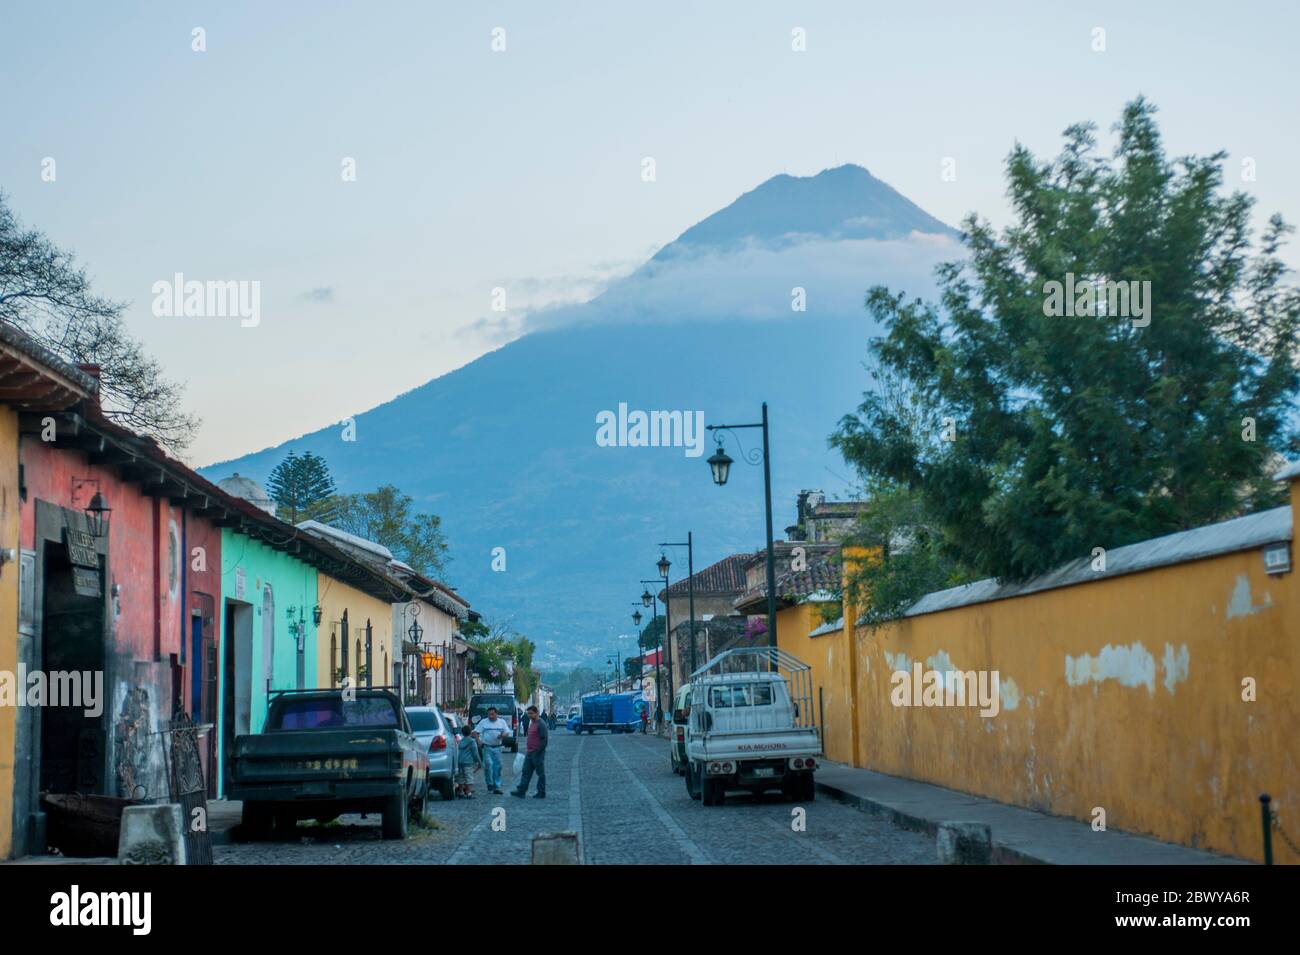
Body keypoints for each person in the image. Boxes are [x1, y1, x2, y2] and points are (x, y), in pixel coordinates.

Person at [511, 704, 548, 799]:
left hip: (537, 753)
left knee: (540, 773)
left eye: (531, 713)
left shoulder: (541, 724)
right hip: (529, 753)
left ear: (536, 713)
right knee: (526, 772)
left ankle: (541, 792)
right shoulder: (532, 723)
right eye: (528, 714)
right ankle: (521, 791)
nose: (529, 715)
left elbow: (544, 739)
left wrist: (538, 751)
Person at [475, 706, 513, 795]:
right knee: (488, 764)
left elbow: (507, 732)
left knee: (498, 767)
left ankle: (497, 786)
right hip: (487, 747)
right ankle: (489, 783)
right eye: (489, 715)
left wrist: (502, 735)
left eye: (492, 714)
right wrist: (478, 741)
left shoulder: (501, 722)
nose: (491, 716)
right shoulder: (484, 722)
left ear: (496, 714)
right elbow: (476, 732)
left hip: (498, 747)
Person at [455, 725, 482, 798]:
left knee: (461, 777)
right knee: (469, 777)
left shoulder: (460, 741)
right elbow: (475, 753)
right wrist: (479, 762)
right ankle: (469, 792)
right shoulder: (472, 741)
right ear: (470, 732)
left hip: (460, 761)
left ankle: (461, 792)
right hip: (468, 762)